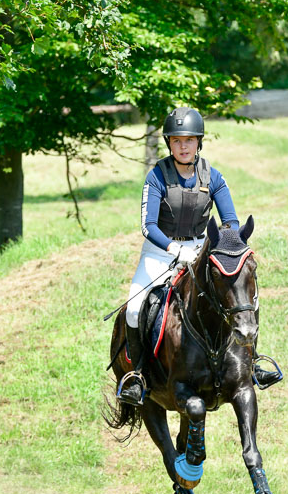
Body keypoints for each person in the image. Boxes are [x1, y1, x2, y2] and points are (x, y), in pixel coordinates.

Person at [118, 106, 278, 405]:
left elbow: (230, 221)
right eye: (177, 140)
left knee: (242, 297)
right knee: (134, 307)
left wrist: (223, 247)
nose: (183, 146)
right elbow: (147, 225)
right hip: (161, 253)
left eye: (189, 140)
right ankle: (138, 376)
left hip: (202, 252)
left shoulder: (212, 176)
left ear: (198, 142)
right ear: (169, 143)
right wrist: (174, 249)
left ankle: (253, 361)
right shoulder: (156, 176)